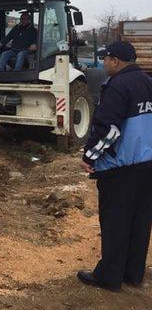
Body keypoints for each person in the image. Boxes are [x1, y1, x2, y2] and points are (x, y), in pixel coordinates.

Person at [77, 41, 152, 291]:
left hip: (121, 168)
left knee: (115, 222)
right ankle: (133, 273)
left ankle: (109, 277)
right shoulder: (147, 82)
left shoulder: (117, 86)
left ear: (116, 61)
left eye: (106, 59)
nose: (103, 63)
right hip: (147, 165)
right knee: (140, 221)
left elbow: (108, 129)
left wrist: (89, 156)